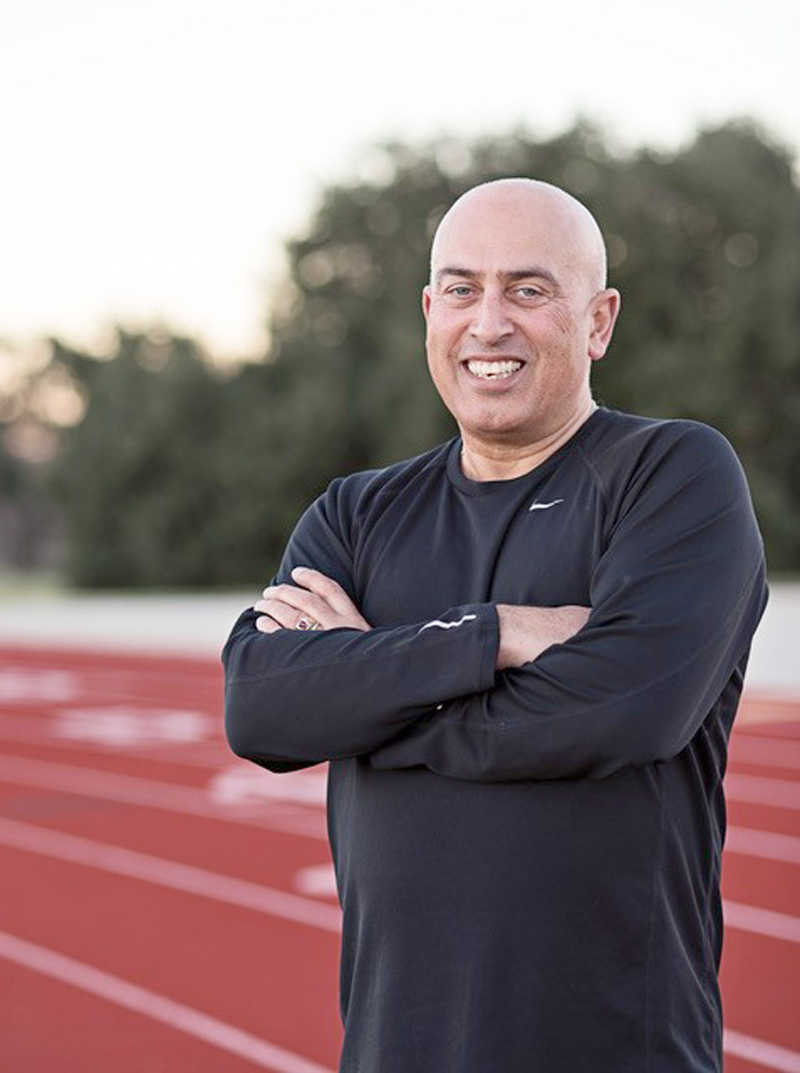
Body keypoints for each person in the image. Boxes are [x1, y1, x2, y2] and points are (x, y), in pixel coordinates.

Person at [223, 178, 768, 1072]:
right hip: (395, 1047)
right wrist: (494, 635)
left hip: (616, 1047)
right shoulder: (356, 513)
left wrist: (367, 691)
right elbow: (262, 708)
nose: (489, 323)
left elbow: (623, 710)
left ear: (598, 321)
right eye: (463, 289)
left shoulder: (672, 476)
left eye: (528, 289)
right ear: (429, 312)